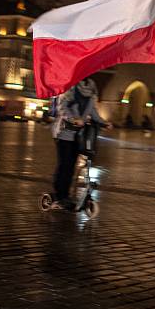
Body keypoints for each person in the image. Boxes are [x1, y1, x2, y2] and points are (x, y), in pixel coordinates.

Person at [50, 78, 111, 211]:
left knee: (72, 166)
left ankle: (66, 195)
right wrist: (73, 119)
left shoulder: (91, 86)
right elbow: (62, 107)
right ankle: (60, 195)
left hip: (78, 134)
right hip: (64, 132)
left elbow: (92, 110)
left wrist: (103, 122)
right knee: (64, 164)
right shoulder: (71, 85)